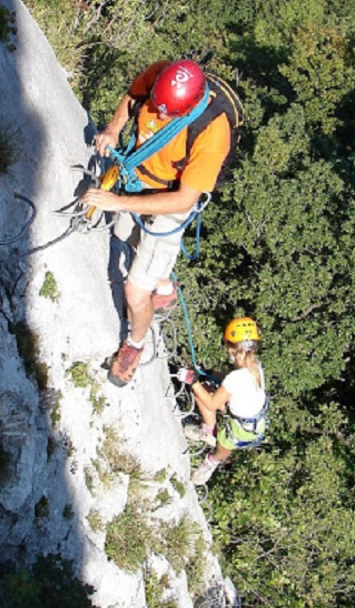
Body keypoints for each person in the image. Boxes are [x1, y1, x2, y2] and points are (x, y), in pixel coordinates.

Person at [83, 60, 231, 387]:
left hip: (172, 201)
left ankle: (134, 345)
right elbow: (134, 95)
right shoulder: (161, 76)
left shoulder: (211, 132)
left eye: (169, 114)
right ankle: (164, 279)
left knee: (135, 292)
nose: (160, 117)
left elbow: (183, 200)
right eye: (159, 109)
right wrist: (113, 128)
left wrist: (118, 202)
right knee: (124, 233)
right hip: (140, 175)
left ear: (190, 106)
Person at [180, 316, 268, 485]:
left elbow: (212, 403)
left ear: (232, 348)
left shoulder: (236, 378)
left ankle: (210, 463)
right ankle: (207, 432)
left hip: (241, 428)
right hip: (254, 422)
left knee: (222, 448)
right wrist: (209, 373)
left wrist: (193, 381)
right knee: (204, 389)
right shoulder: (255, 366)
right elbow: (229, 382)